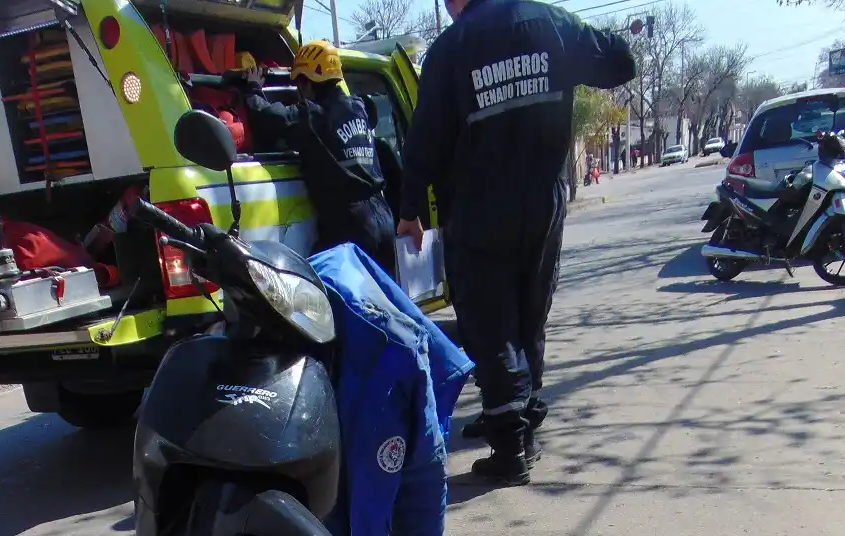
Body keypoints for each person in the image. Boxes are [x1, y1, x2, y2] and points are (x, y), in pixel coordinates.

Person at [396, 0, 636, 484]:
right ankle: (524, 431)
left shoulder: (453, 46)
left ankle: (509, 450)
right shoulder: (552, 23)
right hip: (543, 202)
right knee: (530, 315)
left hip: (479, 207)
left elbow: (425, 140)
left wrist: (410, 212)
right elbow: (621, 62)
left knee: (492, 324)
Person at [233, 42, 397, 276]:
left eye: (299, 82)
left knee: (339, 297)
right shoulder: (357, 108)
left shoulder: (315, 115)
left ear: (307, 82)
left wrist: (252, 89)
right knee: (385, 300)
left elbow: (268, 118)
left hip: (351, 225)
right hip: (383, 216)